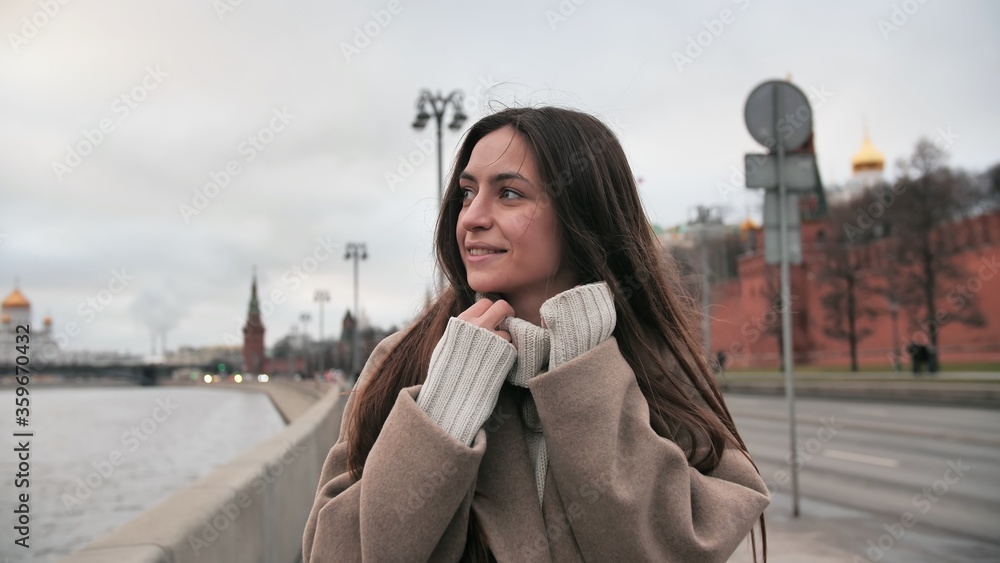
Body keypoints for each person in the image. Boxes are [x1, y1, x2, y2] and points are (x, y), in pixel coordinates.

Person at [303, 107, 769, 562]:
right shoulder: (404, 358)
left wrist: (582, 370)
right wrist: (444, 409)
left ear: (580, 217)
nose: (471, 217)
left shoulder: (655, 366)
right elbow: (335, 552)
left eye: (509, 194)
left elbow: (670, 549)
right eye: (467, 193)